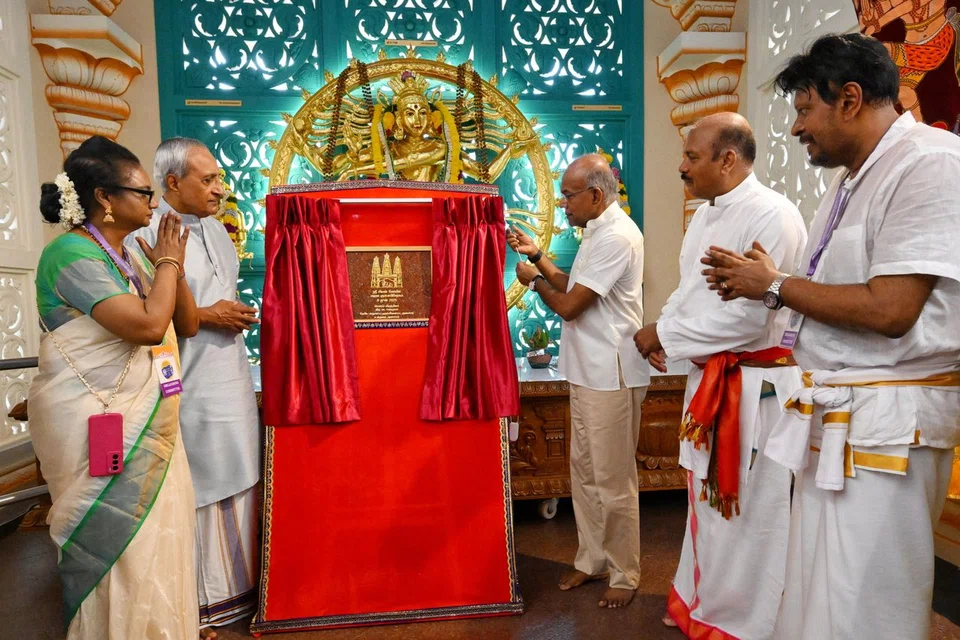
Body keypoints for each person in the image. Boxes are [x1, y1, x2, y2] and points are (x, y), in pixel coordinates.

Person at [702, 33, 960, 639]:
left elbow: (891, 309)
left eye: (802, 109)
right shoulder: (853, 178)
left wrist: (775, 283)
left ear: (849, 99)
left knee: (869, 601)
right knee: (824, 595)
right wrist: (775, 282)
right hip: (843, 416)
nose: (795, 128)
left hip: (887, 426)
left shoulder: (929, 163)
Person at [634, 112, 807, 638]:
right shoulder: (707, 214)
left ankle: (741, 622)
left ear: (728, 159)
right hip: (712, 377)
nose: (681, 166)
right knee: (703, 505)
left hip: (755, 388)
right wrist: (663, 328)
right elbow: (690, 292)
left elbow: (748, 316)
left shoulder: (772, 215)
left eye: (691, 156)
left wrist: (666, 337)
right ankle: (699, 603)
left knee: (747, 514)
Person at [28, 135, 200, 638]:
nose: (152, 202)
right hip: (96, 423)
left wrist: (171, 266)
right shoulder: (68, 255)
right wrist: (165, 265)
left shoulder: (133, 256)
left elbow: (183, 323)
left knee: (158, 537)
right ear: (105, 198)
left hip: (152, 422)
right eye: (143, 192)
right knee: (118, 542)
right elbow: (148, 327)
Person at [127, 137, 261, 636]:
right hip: (186, 379)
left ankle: (239, 591)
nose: (219, 190)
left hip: (229, 373)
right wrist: (209, 315)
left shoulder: (215, 229)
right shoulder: (145, 234)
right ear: (172, 182)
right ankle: (201, 601)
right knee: (199, 481)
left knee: (239, 468)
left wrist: (226, 313)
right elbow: (145, 312)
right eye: (207, 180)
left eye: (219, 178)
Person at [509, 154, 649, 609]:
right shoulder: (597, 230)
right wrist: (539, 258)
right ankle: (591, 560)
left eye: (569, 195)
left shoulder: (617, 236)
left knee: (613, 480)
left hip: (612, 373)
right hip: (589, 371)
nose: (563, 203)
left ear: (595, 194)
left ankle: (624, 574)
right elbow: (574, 285)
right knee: (585, 474)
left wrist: (533, 283)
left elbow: (570, 307)